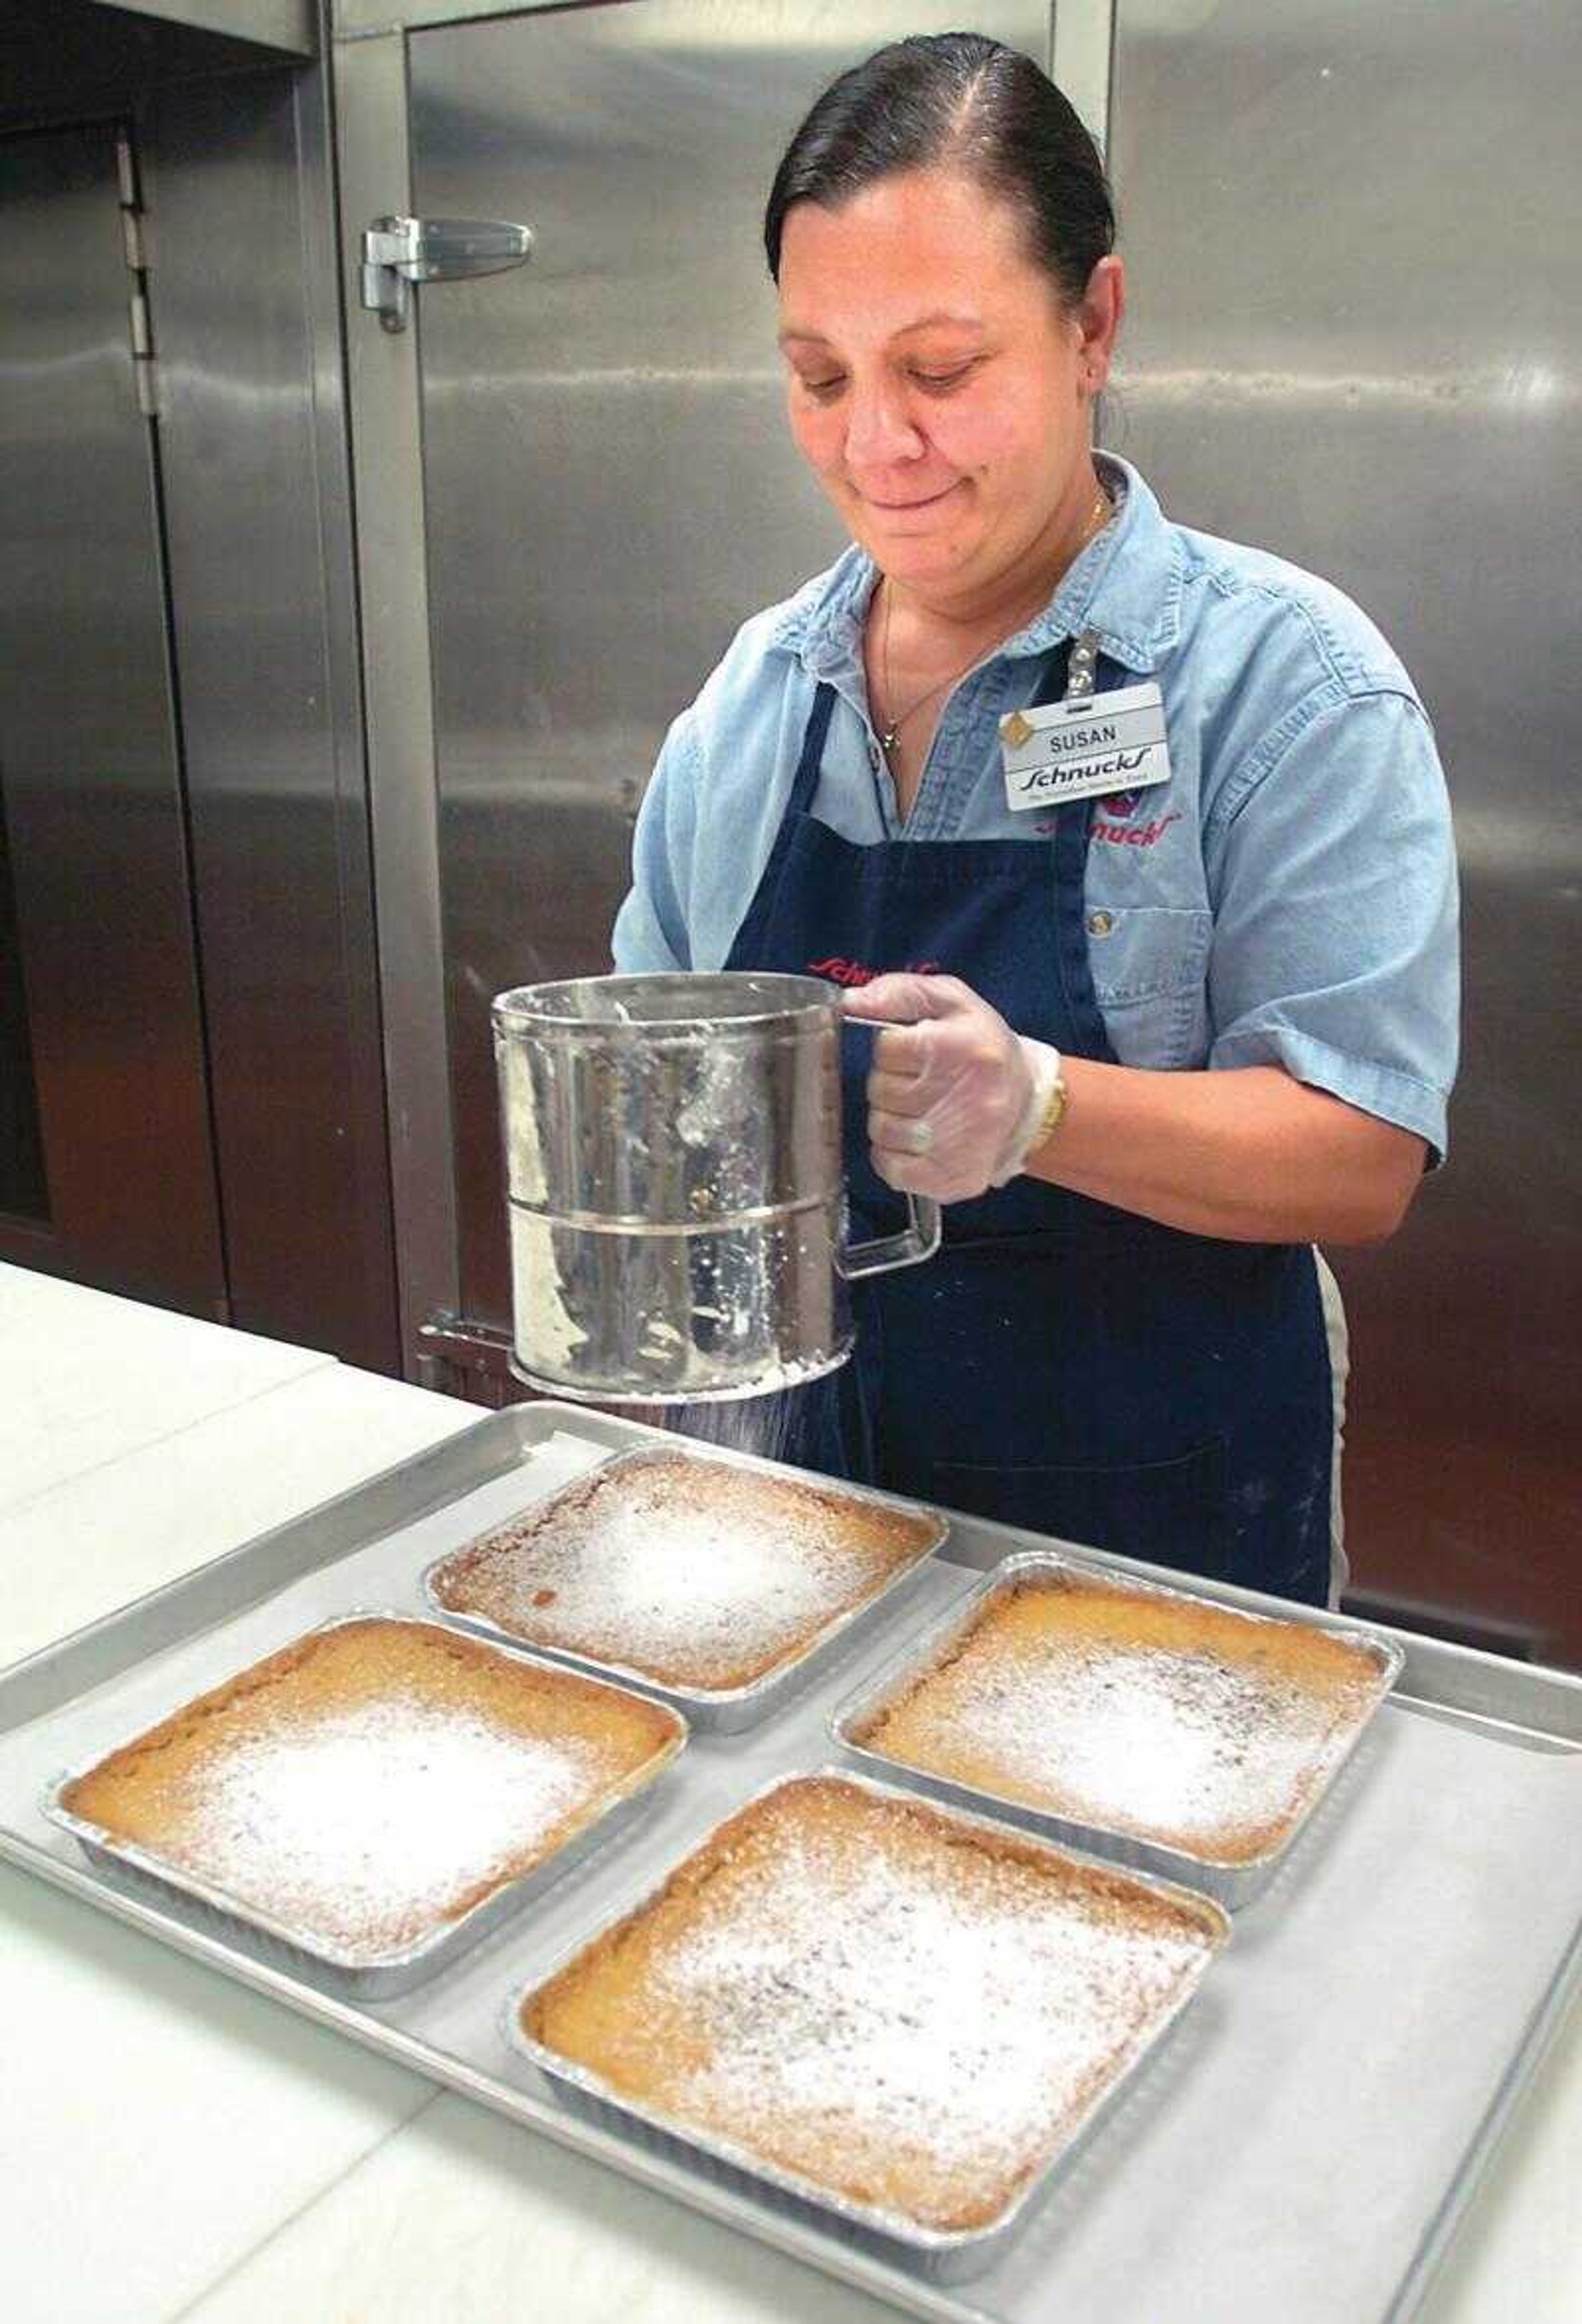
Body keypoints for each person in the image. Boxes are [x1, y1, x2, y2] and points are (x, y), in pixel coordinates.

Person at [612, 33, 1458, 1607]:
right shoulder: (754, 703)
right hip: (808, 1542)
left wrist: (1046, 1107)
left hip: (1156, 1571)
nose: (878, 445)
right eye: (821, 377)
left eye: (941, 371)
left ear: (1095, 325)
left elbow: (1362, 1154)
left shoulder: (1282, 684)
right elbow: (672, 1103)